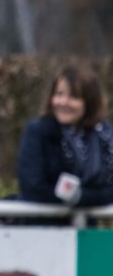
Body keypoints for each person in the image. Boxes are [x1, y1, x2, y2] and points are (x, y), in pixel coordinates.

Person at [17, 66, 113, 206]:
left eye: (73, 96)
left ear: (89, 101)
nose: (63, 102)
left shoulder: (104, 137)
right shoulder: (39, 131)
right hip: (42, 224)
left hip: (86, 226)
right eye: (59, 94)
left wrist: (79, 196)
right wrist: (84, 198)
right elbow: (34, 188)